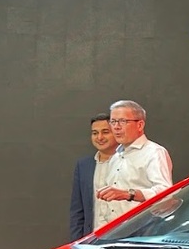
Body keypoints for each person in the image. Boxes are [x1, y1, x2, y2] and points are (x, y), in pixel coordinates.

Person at [94, 100, 173, 228]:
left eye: (122, 121)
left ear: (140, 125)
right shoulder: (116, 156)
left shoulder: (154, 152)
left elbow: (166, 193)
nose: (116, 127)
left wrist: (128, 194)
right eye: (113, 122)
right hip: (114, 231)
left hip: (143, 230)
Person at [69, 113, 118, 241]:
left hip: (121, 238)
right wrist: (77, 241)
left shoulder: (128, 163)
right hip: (91, 239)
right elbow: (77, 210)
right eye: (95, 133)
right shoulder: (84, 165)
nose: (99, 137)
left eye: (105, 132)